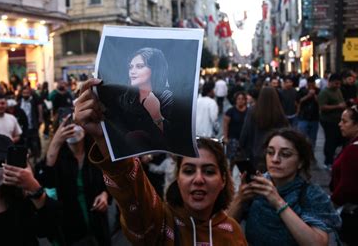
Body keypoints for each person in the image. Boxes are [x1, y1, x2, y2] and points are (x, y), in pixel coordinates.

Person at [73, 79, 247, 245]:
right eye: (188, 170)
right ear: (177, 178)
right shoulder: (160, 223)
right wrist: (105, 139)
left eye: (209, 171)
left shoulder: (234, 233)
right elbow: (133, 195)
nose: (198, 179)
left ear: (223, 180)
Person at [228, 128, 341, 246]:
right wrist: (240, 199)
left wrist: (278, 202)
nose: (275, 159)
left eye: (285, 154)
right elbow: (222, 229)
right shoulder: (258, 186)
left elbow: (317, 243)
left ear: (300, 162)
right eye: (270, 152)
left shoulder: (312, 195)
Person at [36, 116, 110, 245]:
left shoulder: (95, 151)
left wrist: (105, 194)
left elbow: (108, 177)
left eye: (76, 123)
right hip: (70, 227)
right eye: (67, 125)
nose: (72, 128)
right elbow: (46, 183)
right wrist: (56, 142)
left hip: (97, 221)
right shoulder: (57, 157)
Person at [98, 47, 175, 158]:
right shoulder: (126, 98)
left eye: (139, 66)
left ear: (155, 69)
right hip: (130, 161)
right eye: (131, 67)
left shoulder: (166, 97)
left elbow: (172, 139)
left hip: (159, 163)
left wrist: (156, 115)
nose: (132, 71)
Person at [331, 100, 358, 245]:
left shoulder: (355, 151)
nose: (340, 124)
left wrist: (330, 204)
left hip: (356, 215)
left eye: (344, 121)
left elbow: (347, 186)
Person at [239, 87, 288, 170]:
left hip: (256, 152)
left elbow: (246, 132)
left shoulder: (252, 111)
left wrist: (242, 147)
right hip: (274, 153)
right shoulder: (279, 113)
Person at [318, 74, 346, 169]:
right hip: (328, 120)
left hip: (337, 119)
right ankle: (328, 161)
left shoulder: (338, 90)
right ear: (330, 82)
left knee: (339, 140)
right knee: (330, 140)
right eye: (336, 83)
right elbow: (322, 107)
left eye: (339, 84)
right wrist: (338, 106)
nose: (338, 86)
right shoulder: (324, 93)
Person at [223, 91, 248, 167]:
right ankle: (230, 172)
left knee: (243, 158)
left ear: (245, 100)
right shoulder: (230, 111)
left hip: (245, 139)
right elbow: (225, 124)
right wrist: (225, 137)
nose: (240, 101)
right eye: (238, 99)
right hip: (233, 138)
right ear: (236, 100)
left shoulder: (249, 111)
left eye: (242, 99)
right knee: (232, 159)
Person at [296, 76, 320, 149]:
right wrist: (308, 96)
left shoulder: (318, 90)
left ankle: (311, 154)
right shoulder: (302, 90)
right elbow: (298, 101)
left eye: (313, 83)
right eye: (310, 84)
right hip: (303, 117)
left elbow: (320, 102)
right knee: (302, 138)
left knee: (313, 139)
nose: (311, 85)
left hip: (314, 118)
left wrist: (315, 96)